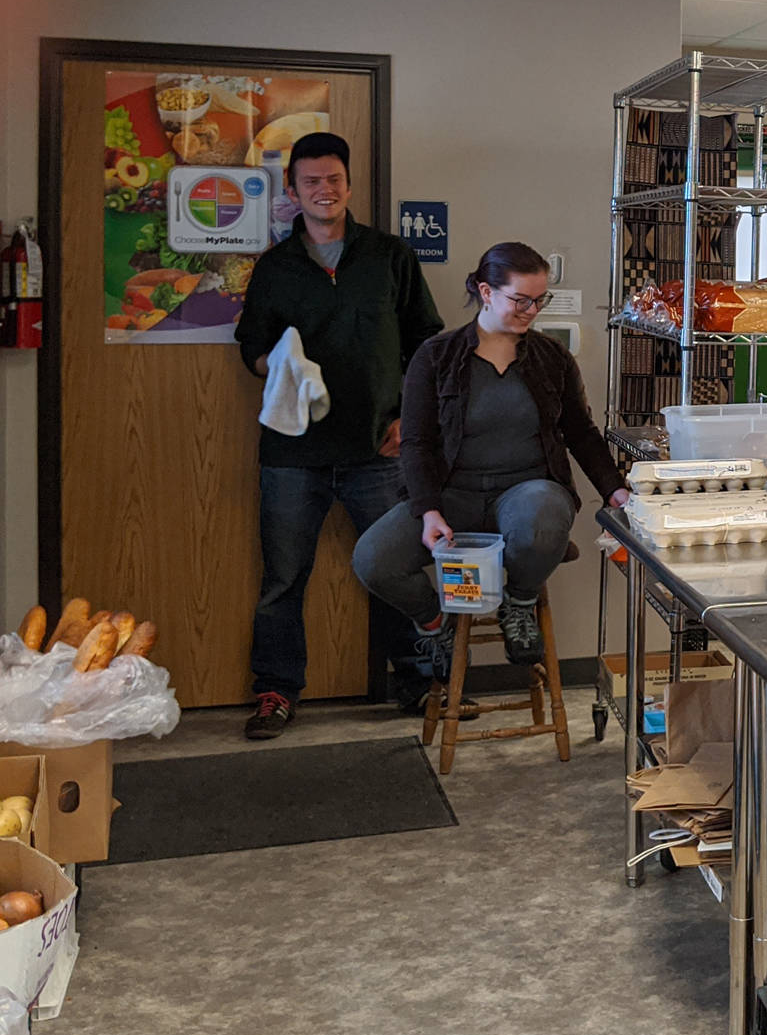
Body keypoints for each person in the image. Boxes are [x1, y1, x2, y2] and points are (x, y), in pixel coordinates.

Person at [234, 132, 442, 739]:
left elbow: (426, 344)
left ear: (348, 184)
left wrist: (411, 420)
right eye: (310, 183)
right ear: (292, 191)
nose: (323, 191)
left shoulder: (390, 255)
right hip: (292, 454)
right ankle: (275, 691)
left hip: (378, 448)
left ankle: (414, 679)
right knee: (282, 579)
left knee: (393, 568)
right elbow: (250, 344)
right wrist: (274, 369)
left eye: (333, 180)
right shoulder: (275, 267)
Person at [355, 242, 628, 696]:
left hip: (526, 493)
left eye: (540, 300)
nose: (532, 310)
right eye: (521, 299)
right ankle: (436, 625)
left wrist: (614, 489)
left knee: (542, 513)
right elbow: (417, 442)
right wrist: (428, 511)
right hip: (451, 497)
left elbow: (579, 432)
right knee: (373, 559)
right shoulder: (436, 356)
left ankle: (518, 604)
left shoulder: (551, 358)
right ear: (486, 291)